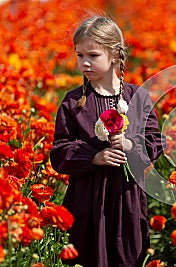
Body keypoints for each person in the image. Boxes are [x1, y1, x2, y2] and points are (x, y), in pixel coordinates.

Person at [50, 16, 164, 267]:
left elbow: (155, 140)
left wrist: (130, 145)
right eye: (80, 55)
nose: (85, 63)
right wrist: (93, 157)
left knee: (127, 254)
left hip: (127, 197)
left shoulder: (138, 96)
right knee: (87, 254)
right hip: (87, 199)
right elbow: (59, 151)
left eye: (93, 55)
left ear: (114, 55)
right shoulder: (73, 102)